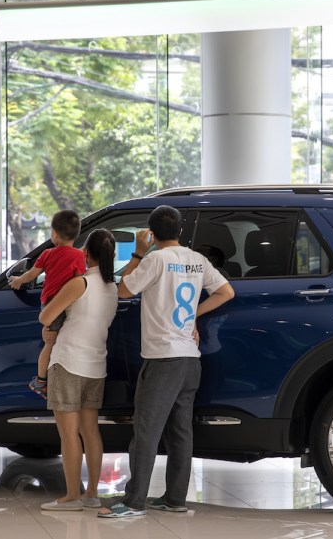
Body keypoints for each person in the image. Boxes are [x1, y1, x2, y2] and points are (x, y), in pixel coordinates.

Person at [98, 205, 235, 518]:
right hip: (190, 359)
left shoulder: (155, 259)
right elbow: (226, 292)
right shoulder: (197, 260)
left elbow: (122, 290)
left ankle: (133, 502)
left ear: (151, 232)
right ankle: (175, 499)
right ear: (180, 231)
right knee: (180, 433)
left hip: (163, 358)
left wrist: (137, 254)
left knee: (146, 431)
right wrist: (192, 316)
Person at [38, 228, 118, 511]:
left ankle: (72, 496)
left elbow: (45, 316)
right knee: (90, 431)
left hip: (68, 361)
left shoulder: (80, 283)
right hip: (96, 365)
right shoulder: (113, 287)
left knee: (69, 433)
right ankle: (92, 494)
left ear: (85, 254)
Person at [8, 209, 86, 398]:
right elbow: (79, 279)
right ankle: (41, 380)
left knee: (50, 341)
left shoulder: (47, 254)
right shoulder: (78, 256)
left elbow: (31, 275)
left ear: (54, 233)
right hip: (63, 304)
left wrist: (18, 281)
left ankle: (41, 379)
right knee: (52, 341)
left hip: (49, 303)